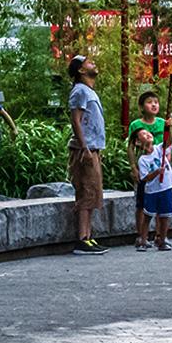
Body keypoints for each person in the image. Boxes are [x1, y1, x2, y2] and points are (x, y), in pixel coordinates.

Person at [66, 55, 108, 256]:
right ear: (81, 71)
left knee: (93, 193)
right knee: (85, 191)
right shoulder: (80, 91)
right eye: (88, 62)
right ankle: (82, 239)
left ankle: (89, 236)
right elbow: (76, 120)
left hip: (93, 149)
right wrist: (85, 148)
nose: (94, 63)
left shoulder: (88, 91)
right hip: (86, 150)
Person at [129, 90, 167, 251]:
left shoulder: (163, 123)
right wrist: (133, 167)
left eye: (156, 102)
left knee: (161, 203)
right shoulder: (136, 125)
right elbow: (130, 147)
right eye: (149, 102)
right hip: (145, 168)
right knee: (142, 203)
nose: (153, 104)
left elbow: (168, 144)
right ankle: (141, 235)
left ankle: (160, 236)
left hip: (160, 167)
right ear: (141, 107)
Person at [133, 127, 172, 252]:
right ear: (138, 142)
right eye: (143, 135)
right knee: (148, 215)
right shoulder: (143, 160)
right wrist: (157, 172)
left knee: (165, 215)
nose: (148, 135)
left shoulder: (159, 149)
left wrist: (169, 128)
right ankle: (143, 239)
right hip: (152, 191)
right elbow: (145, 178)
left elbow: (169, 140)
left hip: (166, 187)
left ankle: (162, 240)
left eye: (148, 133)